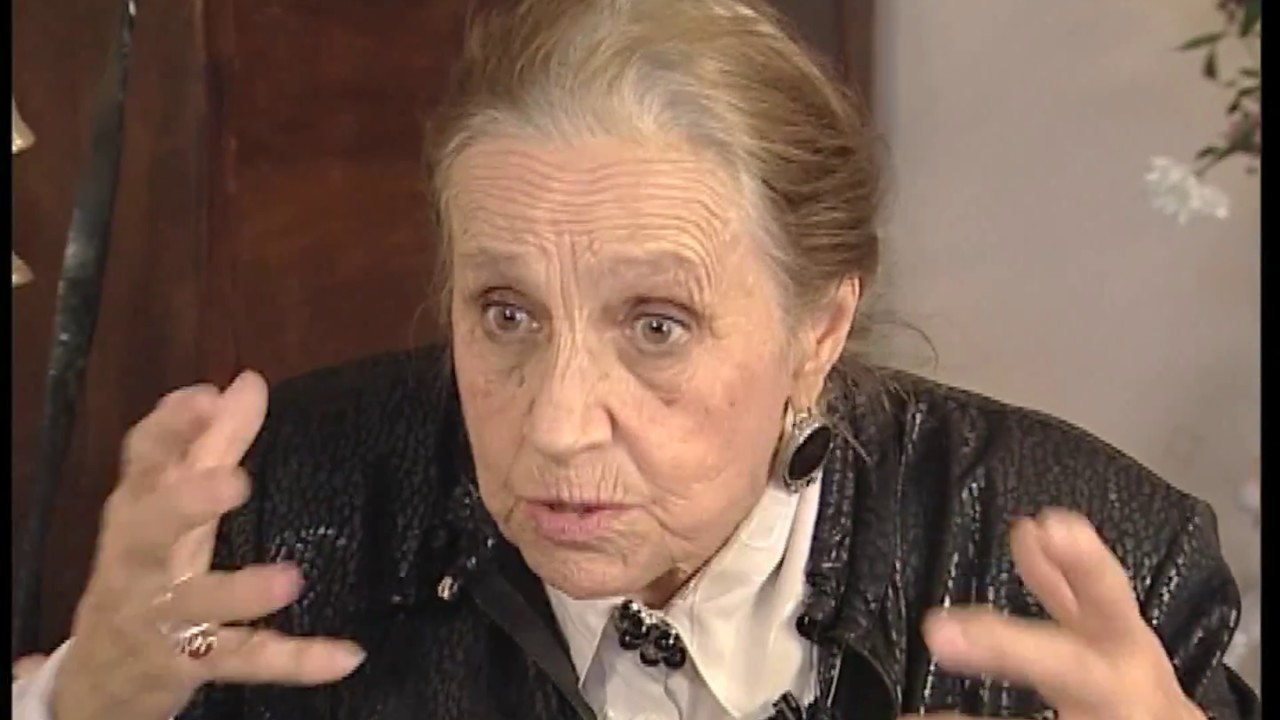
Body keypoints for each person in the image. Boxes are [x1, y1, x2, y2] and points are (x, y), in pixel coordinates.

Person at [11, 0, 1261, 718]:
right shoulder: (275, 519)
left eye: (655, 325)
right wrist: (82, 710)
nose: (556, 425)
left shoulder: (1089, 565)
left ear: (819, 328)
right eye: (506, 315)